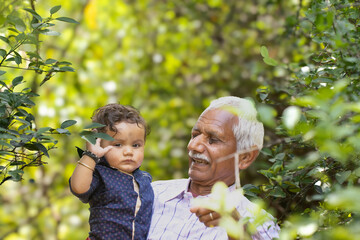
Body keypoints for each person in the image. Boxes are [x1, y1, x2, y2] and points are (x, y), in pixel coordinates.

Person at [147, 96, 280, 240]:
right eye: (195, 135)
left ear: (244, 157)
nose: (193, 146)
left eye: (213, 140)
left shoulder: (262, 224)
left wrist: (239, 232)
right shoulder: (152, 194)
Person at [69, 103, 154, 240]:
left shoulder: (145, 178)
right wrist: (91, 156)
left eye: (136, 145)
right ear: (99, 144)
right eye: (118, 145)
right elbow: (78, 187)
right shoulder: (100, 173)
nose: (128, 152)